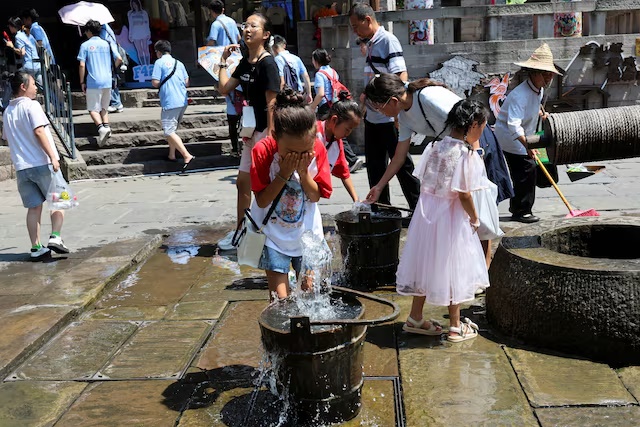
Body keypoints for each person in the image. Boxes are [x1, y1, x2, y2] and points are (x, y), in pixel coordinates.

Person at [363, 73, 514, 267]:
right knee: (462, 209)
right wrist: (379, 186)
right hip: (456, 149)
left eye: (378, 107)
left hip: (476, 141)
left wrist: (475, 155)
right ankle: (468, 263)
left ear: (392, 100)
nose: (378, 112)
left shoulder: (427, 97)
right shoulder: (404, 116)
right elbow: (399, 157)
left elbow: (472, 119)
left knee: (478, 204)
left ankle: (485, 265)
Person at [396, 99, 490, 342]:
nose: (482, 132)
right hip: (450, 216)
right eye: (482, 126)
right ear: (473, 125)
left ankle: (416, 316)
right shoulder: (465, 155)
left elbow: (425, 181)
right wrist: (475, 218)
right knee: (453, 266)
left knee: (426, 264)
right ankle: (456, 327)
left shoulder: (434, 147)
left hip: (427, 215)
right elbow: (464, 193)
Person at [250, 87, 332, 299]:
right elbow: (261, 200)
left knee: (310, 294)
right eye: (291, 152)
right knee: (279, 299)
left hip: (307, 234)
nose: (298, 156)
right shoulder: (262, 151)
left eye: (304, 151)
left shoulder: (318, 150)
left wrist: (304, 174)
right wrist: (284, 173)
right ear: (276, 137)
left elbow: (315, 196)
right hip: (273, 235)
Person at [216, 13, 281, 251]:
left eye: (253, 26)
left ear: (265, 35)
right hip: (250, 131)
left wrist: (272, 138)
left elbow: (272, 102)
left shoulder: (268, 63)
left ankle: (270, 230)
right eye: (245, 25)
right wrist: (223, 60)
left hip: (266, 131)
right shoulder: (245, 62)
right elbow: (224, 88)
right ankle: (241, 230)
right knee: (242, 182)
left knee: (263, 184)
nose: (247, 29)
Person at [349, 3, 420, 209]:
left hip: (389, 118)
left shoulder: (387, 40)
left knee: (402, 166)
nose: (354, 30)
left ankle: (417, 208)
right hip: (373, 117)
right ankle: (382, 209)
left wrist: (397, 116)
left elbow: (400, 76)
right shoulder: (370, 42)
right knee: (375, 166)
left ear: (367, 20)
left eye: (356, 25)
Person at [1, 71, 69, 261]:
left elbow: (6, 138)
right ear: (23, 87)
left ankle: (36, 247)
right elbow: (39, 131)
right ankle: (55, 237)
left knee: (34, 208)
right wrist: (53, 157)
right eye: (33, 84)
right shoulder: (32, 106)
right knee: (60, 199)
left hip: (22, 168)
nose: (36, 87)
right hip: (41, 162)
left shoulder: (7, 111)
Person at [494, 43, 561, 224]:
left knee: (534, 168)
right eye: (545, 74)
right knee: (526, 170)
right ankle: (521, 210)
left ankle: (520, 206)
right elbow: (513, 125)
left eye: (550, 74)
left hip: (525, 134)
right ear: (534, 73)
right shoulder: (519, 95)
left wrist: (541, 113)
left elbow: (534, 104)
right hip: (510, 137)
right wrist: (528, 146)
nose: (548, 78)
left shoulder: (537, 90)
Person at [310, 48, 363, 173]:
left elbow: (321, 94)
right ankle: (345, 159)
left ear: (316, 60)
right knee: (336, 134)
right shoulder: (333, 72)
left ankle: (347, 159)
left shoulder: (319, 74)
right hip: (335, 105)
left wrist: (311, 107)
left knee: (325, 134)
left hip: (325, 108)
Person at [151, 40, 195, 172]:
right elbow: (187, 82)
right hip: (182, 100)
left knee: (168, 131)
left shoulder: (159, 63)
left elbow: (155, 82)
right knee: (172, 129)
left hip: (169, 100)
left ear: (158, 52)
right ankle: (171, 154)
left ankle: (187, 155)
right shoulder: (179, 63)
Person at [77, 20, 122, 146]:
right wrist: (111, 71)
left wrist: (81, 81)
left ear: (89, 31)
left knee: (92, 109)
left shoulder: (85, 45)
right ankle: (107, 127)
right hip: (107, 80)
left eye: (86, 31)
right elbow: (119, 58)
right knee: (104, 108)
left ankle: (101, 128)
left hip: (93, 80)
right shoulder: (107, 44)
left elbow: (82, 65)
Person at [206, 0, 241, 156]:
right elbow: (239, 38)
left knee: (227, 90)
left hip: (224, 61)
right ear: (223, 9)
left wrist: (205, 55)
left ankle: (234, 148)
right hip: (237, 59)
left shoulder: (216, 24)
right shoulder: (232, 21)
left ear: (211, 12)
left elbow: (212, 42)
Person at [316, 92, 362, 202]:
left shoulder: (336, 141)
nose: (348, 134)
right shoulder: (313, 133)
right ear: (334, 120)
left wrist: (356, 199)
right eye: (347, 129)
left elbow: (344, 173)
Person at [272, 35, 311, 103]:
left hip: (287, 96)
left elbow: (282, 81)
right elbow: (306, 76)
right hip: (299, 94)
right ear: (284, 45)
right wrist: (309, 94)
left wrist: (277, 98)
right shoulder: (296, 58)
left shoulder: (277, 59)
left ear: (273, 47)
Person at [5, 17, 42, 87]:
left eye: (9, 26)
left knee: (15, 81)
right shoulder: (27, 34)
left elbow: (22, 52)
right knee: (42, 86)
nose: (9, 28)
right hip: (37, 64)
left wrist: (12, 47)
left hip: (28, 66)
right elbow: (38, 47)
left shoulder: (18, 36)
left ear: (13, 26)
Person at [100, 23, 125, 114]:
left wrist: (111, 68)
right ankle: (117, 104)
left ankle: (116, 103)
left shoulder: (104, 32)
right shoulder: (107, 30)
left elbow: (118, 57)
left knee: (111, 83)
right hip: (112, 62)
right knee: (113, 82)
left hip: (111, 62)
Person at [128, 0, 151, 65]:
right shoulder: (130, 13)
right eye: (133, 5)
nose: (134, 6)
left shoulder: (143, 13)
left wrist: (148, 33)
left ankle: (148, 64)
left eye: (135, 4)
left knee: (145, 49)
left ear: (138, 4)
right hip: (135, 34)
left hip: (143, 33)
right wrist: (130, 35)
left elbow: (147, 24)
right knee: (139, 50)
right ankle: (143, 64)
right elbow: (131, 25)